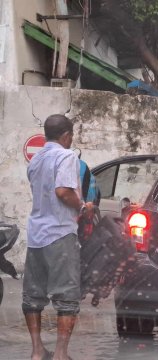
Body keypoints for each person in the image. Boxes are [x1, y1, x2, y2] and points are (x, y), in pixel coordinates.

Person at [23, 114, 94, 360]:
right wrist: (84, 207)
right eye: (71, 136)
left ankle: (36, 351)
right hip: (60, 234)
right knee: (67, 297)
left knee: (33, 296)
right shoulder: (66, 156)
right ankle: (61, 354)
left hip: (35, 236)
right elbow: (63, 192)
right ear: (66, 136)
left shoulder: (36, 160)